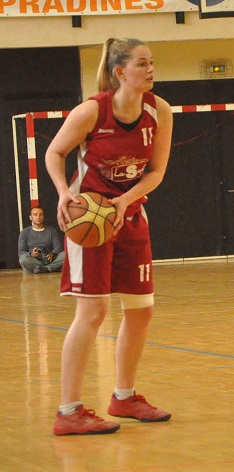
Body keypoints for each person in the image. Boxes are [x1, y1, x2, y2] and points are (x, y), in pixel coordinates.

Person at [45, 38, 173, 436]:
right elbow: (54, 152)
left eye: (152, 62)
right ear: (120, 72)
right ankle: (68, 411)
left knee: (141, 310)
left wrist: (127, 201)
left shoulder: (160, 111)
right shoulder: (92, 111)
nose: (151, 70)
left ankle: (124, 396)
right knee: (93, 312)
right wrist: (65, 194)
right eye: (142, 63)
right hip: (92, 217)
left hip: (130, 214)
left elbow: (155, 171)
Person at [18, 206, 65, 274]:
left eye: (41, 214)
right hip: (34, 260)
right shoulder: (24, 232)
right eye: (35, 214)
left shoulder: (51, 231)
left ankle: (45, 268)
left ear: (43, 216)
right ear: (31, 217)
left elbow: (58, 247)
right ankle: (51, 268)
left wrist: (52, 254)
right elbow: (21, 252)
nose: (38, 217)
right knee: (23, 259)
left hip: (50, 259)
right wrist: (32, 254)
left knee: (66, 254)